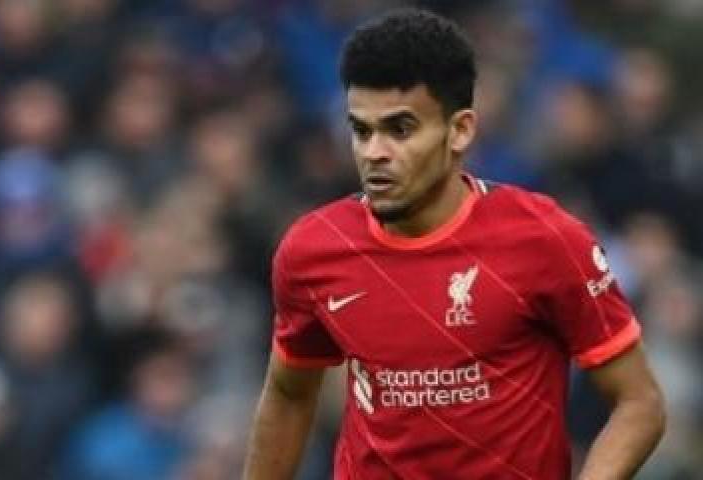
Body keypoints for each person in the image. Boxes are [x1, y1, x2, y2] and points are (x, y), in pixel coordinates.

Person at [243, 8, 665, 480]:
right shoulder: (315, 249)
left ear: (460, 129)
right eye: (361, 130)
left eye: (400, 129)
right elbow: (288, 393)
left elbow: (638, 402)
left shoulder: (542, 237)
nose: (373, 152)